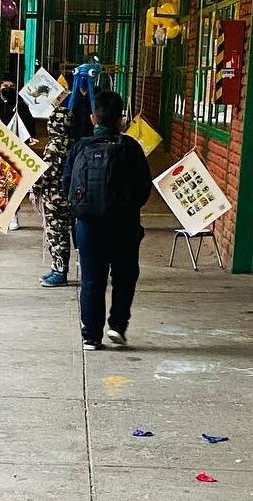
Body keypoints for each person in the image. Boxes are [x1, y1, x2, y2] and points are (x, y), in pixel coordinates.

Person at [63, 91, 152, 350]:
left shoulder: (80, 147)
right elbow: (144, 187)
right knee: (125, 276)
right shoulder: (131, 147)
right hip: (124, 224)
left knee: (92, 279)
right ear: (121, 120)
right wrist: (128, 207)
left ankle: (91, 336)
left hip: (88, 226)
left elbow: (67, 184)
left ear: (93, 118)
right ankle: (117, 326)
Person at [0, 75, 38, 231]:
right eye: (5, 86)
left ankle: (12, 214)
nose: (8, 89)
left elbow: (30, 125)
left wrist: (30, 139)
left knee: (13, 184)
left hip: (14, 150)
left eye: (12, 87)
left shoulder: (20, 105)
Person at [33, 104, 74, 287]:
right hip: (68, 197)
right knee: (63, 233)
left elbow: (45, 173)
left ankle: (59, 272)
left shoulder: (54, 146)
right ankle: (57, 268)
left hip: (54, 198)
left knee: (56, 235)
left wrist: (34, 188)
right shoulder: (74, 143)